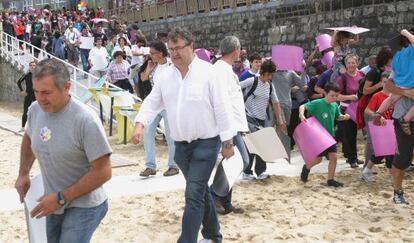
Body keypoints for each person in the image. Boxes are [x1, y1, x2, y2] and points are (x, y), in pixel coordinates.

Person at [132, 27, 234, 243]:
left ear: (191, 46)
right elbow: (152, 102)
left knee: (193, 194)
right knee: (200, 191)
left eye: (179, 48)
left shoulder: (210, 73)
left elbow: (222, 108)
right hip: (180, 148)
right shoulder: (166, 76)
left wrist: (228, 141)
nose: (175, 53)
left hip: (206, 144)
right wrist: (140, 123)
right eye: (171, 49)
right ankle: (214, 236)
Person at [14, 59, 112, 242]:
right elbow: (29, 136)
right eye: (36, 92)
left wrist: (61, 198)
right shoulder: (35, 110)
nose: (40, 98)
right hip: (53, 202)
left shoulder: (85, 120)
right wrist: (23, 173)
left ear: (67, 87)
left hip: (85, 205)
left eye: (46, 92)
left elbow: (104, 172)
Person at [211, 36, 249, 215]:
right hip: (229, 125)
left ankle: (224, 200)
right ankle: (215, 195)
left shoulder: (224, 69)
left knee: (233, 162)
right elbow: (221, 101)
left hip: (234, 124)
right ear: (235, 50)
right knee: (239, 160)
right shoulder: (220, 70)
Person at [138, 40, 179, 177]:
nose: (150, 56)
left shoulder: (172, 65)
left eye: (153, 53)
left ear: (160, 53)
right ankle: (150, 165)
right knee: (148, 134)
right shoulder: (153, 66)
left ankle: (173, 165)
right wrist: (149, 68)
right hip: (156, 104)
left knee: (170, 135)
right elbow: (143, 78)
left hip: (169, 105)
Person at [240, 60, 286, 180]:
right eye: (270, 74)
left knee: (261, 144)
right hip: (248, 117)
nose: (271, 77)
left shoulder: (270, 86)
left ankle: (260, 171)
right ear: (265, 73)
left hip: (261, 119)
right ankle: (247, 172)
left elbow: (275, 103)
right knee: (252, 144)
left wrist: (280, 120)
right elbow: (236, 88)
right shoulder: (253, 81)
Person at [299, 82, 350, 187]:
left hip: (330, 135)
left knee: (334, 157)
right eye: (332, 95)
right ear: (325, 93)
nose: (334, 98)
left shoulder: (335, 105)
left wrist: (344, 117)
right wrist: (301, 115)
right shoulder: (318, 103)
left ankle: (330, 180)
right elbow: (303, 106)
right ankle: (307, 168)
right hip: (318, 136)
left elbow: (337, 116)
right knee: (318, 159)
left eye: (336, 96)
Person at [376, 29, 414, 135]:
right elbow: (388, 84)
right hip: (407, 86)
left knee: (390, 99)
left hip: (401, 84)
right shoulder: (407, 54)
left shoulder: (398, 57)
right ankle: (405, 119)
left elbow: (389, 82)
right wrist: (405, 32)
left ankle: (378, 113)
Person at [362, 72, 394, 182]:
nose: (387, 84)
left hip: (393, 126)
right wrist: (377, 116)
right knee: (388, 151)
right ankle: (392, 175)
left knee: (384, 152)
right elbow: (367, 110)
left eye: (389, 82)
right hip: (381, 127)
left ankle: (367, 170)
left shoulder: (395, 95)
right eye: (384, 82)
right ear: (381, 82)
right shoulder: (377, 96)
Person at [336, 54, 365, 168]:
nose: (351, 65)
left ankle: (355, 158)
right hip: (346, 109)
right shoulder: (341, 78)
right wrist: (350, 97)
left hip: (359, 109)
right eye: (349, 63)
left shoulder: (362, 75)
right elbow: (336, 96)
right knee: (349, 135)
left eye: (353, 62)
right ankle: (351, 159)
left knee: (357, 135)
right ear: (345, 64)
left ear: (357, 63)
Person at [17, 61, 37, 130]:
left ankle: (37, 127)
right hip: (28, 95)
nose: (32, 67)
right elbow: (18, 82)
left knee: (38, 111)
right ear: (29, 67)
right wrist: (22, 91)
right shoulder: (26, 75)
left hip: (36, 95)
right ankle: (23, 127)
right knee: (25, 111)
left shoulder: (38, 75)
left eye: (34, 65)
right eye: (31, 65)